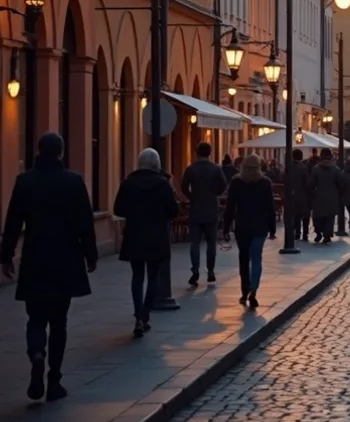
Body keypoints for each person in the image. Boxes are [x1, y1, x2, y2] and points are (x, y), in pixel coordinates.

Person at [0, 131, 98, 402]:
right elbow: (85, 223)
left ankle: (36, 352)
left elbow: (12, 222)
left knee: (35, 318)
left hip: (35, 259)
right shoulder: (74, 182)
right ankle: (54, 380)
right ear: (61, 152)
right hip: (65, 259)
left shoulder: (25, 182)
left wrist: (6, 255)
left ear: (39, 151)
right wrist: (91, 255)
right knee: (59, 321)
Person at [113, 148, 179, 339]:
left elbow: (118, 208)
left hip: (135, 234)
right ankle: (145, 314)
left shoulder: (128, 183)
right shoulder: (162, 185)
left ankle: (138, 314)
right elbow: (174, 210)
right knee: (153, 277)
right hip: (157, 236)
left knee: (137, 276)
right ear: (156, 165)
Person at [222, 152, 276, 308]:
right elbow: (270, 208)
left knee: (244, 259)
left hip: (242, 226)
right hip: (260, 227)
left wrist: (226, 227)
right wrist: (272, 229)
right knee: (257, 257)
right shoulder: (265, 183)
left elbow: (230, 207)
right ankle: (254, 290)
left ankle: (244, 290)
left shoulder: (236, 182)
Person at [181, 141, 226, 288]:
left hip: (196, 209)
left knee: (194, 243)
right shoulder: (215, 169)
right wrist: (215, 193)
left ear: (197, 152)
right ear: (210, 153)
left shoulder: (191, 169)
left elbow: (183, 187)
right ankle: (211, 270)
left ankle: (195, 271)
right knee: (211, 243)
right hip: (211, 209)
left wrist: (191, 196)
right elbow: (224, 184)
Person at [310, 149, 345, 242]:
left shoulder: (316, 169)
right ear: (330, 156)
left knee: (317, 216)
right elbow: (341, 183)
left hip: (319, 196)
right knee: (330, 217)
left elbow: (311, 184)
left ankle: (318, 232)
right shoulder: (336, 169)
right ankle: (327, 235)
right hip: (332, 197)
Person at [285, 148, 311, 242]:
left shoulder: (289, 167)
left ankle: (297, 233)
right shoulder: (304, 168)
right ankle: (305, 233)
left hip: (292, 195)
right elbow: (307, 183)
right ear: (301, 157)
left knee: (296, 215)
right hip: (303, 195)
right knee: (305, 216)